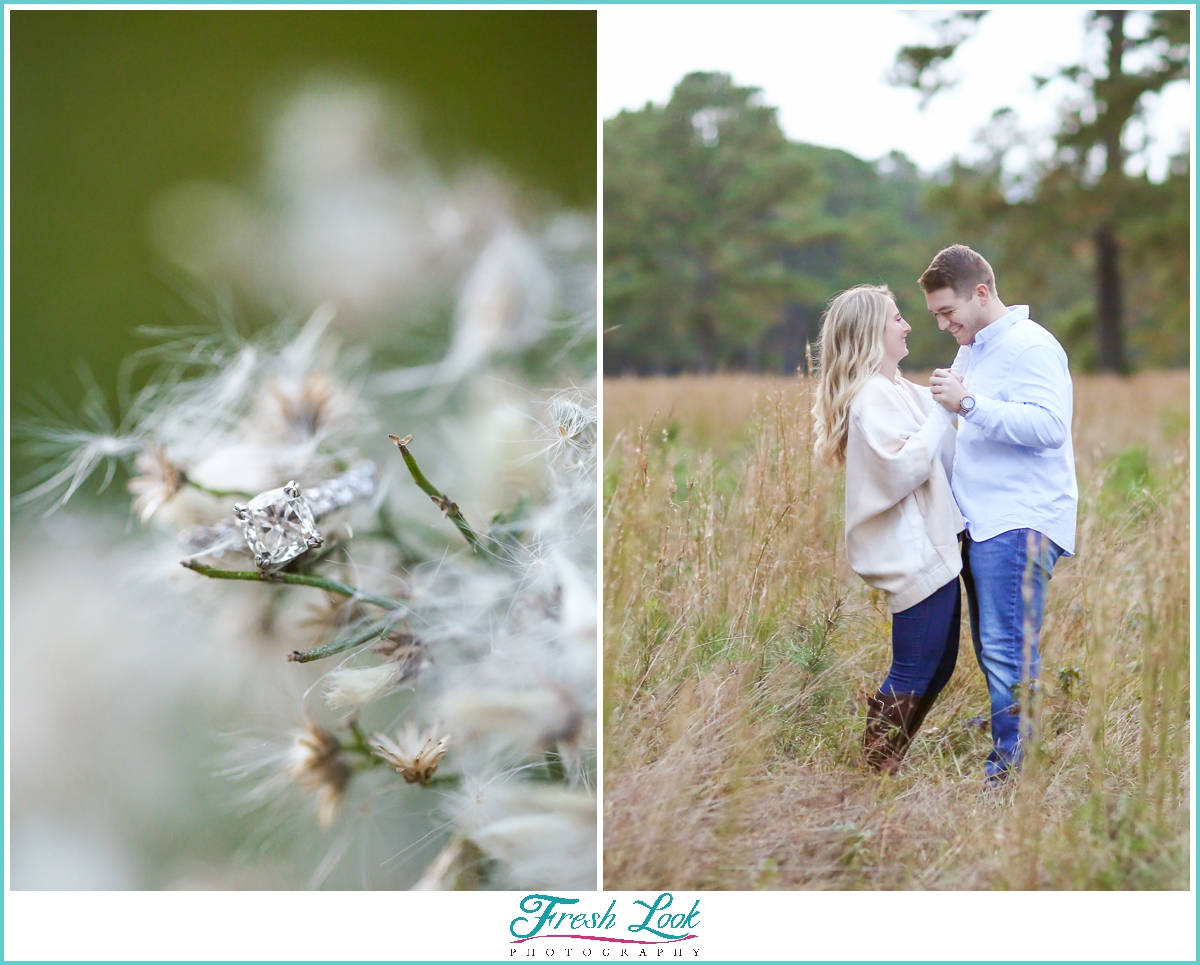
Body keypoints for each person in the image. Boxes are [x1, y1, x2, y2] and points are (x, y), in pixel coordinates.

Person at [921, 244, 1077, 784]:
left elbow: (1050, 427)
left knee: (1009, 653)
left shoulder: (1030, 346)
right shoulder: (977, 348)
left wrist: (968, 403)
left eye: (948, 312)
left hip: (1019, 521)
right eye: (936, 316)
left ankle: (1011, 779)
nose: (943, 324)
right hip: (986, 523)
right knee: (998, 651)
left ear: (981, 293)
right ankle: (1014, 760)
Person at [812, 284, 964, 773]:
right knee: (915, 668)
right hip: (912, 553)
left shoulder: (896, 388)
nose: (907, 325)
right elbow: (903, 466)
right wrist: (945, 409)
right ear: (870, 332)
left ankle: (886, 764)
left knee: (937, 667)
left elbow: (948, 399)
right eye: (896, 317)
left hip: (931, 545)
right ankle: (872, 770)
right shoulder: (871, 397)